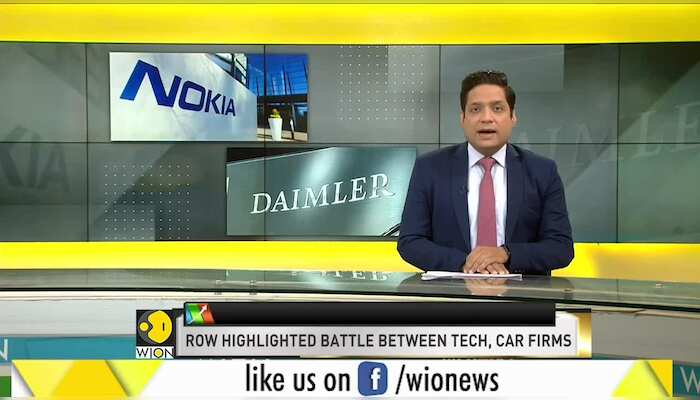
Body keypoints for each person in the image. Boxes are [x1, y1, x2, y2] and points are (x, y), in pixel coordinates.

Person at [397, 70, 574, 275]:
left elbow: (560, 248)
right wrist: (467, 263)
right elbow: (410, 242)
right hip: (452, 291)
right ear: (463, 118)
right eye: (475, 109)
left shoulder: (542, 171)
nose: (486, 118)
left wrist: (506, 254)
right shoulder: (430, 168)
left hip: (521, 292)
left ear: (513, 117)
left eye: (497, 108)